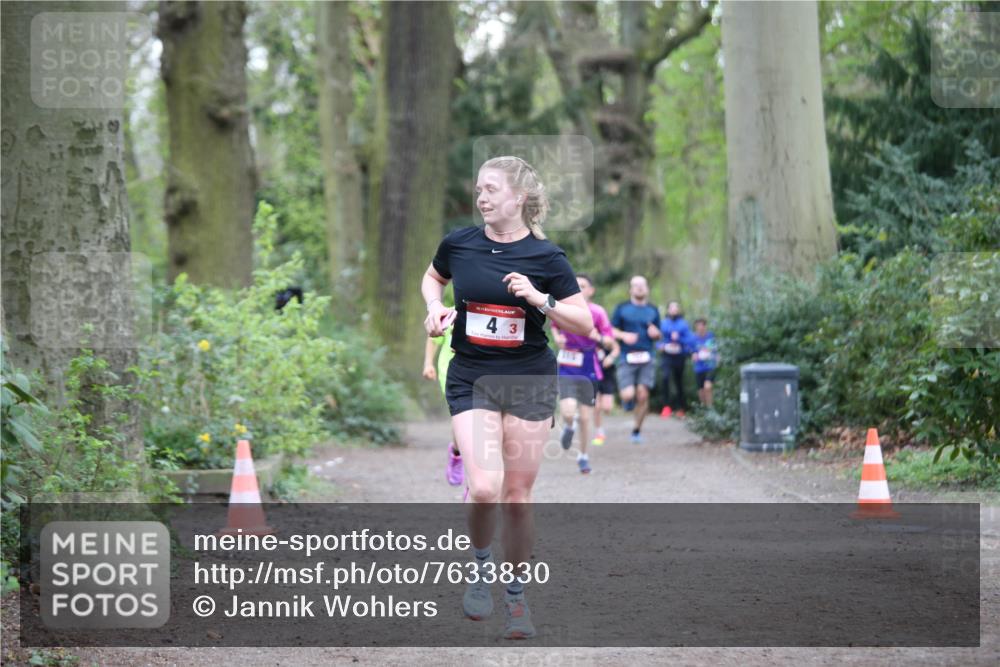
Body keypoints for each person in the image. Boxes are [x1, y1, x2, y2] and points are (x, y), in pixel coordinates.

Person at [422, 156, 592, 640]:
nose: (481, 197)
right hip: (472, 377)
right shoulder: (459, 244)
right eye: (478, 189)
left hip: (529, 380)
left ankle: (516, 598)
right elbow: (433, 278)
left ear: (518, 198)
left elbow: (583, 323)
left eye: (492, 189)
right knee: (483, 489)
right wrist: (435, 309)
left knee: (517, 497)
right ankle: (480, 569)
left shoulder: (548, 258)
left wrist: (541, 299)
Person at [550, 274, 615, 474]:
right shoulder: (564, 307)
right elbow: (554, 325)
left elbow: (610, 341)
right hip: (568, 364)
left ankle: (583, 456)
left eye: (583, 285)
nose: (579, 288)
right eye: (576, 285)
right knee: (568, 410)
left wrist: (599, 337)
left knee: (586, 417)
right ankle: (569, 427)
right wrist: (558, 338)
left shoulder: (598, 312)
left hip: (588, 365)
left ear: (591, 290)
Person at [610, 276, 661, 444]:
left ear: (647, 289)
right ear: (630, 290)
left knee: (643, 395)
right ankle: (626, 401)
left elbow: (659, 333)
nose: (639, 288)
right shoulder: (622, 308)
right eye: (636, 286)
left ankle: (637, 430)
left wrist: (656, 334)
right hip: (627, 356)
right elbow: (610, 330)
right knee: (628, 394)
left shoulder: (653, 310)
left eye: (642, 285)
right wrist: (624, 335)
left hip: (647, 356)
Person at [422, 290, 463, 486]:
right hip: (450, 372)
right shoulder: (452, 313)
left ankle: (476, 485)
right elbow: (434, 338)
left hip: (484, 373)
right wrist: (428, 364)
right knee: (461, 420)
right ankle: (457, 454)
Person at [659, 301, 694, 418]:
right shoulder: (663, 323)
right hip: (666, 355)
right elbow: (658, 338)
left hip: (679, 355)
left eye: (676, 307)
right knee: (665, 377)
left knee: (678, 381)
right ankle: (666, 407)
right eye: (672, 307)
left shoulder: (683, 324)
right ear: (668, 310)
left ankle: (680, 408)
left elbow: (689, 339)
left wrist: (679, 339)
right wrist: (661, 346)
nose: (674, 309)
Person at [691, 317, 718, 408]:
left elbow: (714, 350)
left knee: (708, 387)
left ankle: (710, 409)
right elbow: (692, 351)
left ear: (705, 326)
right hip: (699, 367)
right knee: (701, 391)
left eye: (702, 326)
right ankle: (704, 408)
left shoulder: (711, 336)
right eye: (698, 326)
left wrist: (713, 355)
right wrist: (694, 354)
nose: (700, 328)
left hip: (710, 366)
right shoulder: (693, 338)